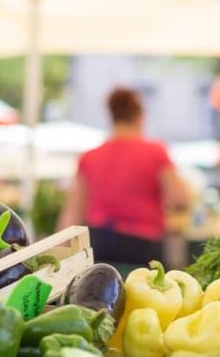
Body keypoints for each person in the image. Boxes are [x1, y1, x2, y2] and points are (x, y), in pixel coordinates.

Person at [58, 87, 189, 265]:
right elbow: (180, 198)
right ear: (139, 116)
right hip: (142, 244)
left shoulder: (90, 156)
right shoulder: (155, 152)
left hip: (99, 242)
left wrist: (62, 254)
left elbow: (73, 211)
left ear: (112, 116)